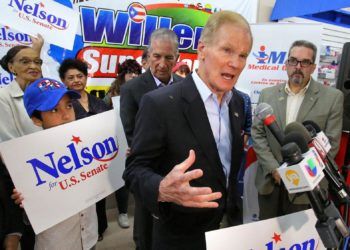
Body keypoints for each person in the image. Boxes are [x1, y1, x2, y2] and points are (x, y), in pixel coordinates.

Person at [123, 10, 252, 250]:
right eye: (227, 50)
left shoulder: (237, 104)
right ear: (202, 50)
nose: (236, 63)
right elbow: (134, 171)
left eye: (243, 55)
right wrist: (161, 189)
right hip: (180, 237)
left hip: (227, 231)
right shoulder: (159, 103)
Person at [251, 40, 344, 220]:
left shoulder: (332, 98)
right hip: (271, 182)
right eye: (293, 61)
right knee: (267, 239)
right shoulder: (267, 94)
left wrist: (295, 174)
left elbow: (330, 145)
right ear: (286, 64)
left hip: (306, 189)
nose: (298, 67)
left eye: (305, 62)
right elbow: (258, 134)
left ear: (313, 67)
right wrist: (274, 169)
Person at [120, 28, 183, 250]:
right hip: (147, 171)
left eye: (168, 57)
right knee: (145, 230)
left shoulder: (186, 87)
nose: (162, 63)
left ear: (177, 58)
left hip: (179, 170)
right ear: (147, 56)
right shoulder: (131, 89)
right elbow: (130, 132)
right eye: (156, 56)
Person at [18, 77, 98, 249]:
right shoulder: (25, 160)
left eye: (69, 105)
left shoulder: (88, 144)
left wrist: (117, 156)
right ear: (36, 119)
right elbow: (27, 218)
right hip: (57, 243)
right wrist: (25, 202)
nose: (66, 115)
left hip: (90, 235)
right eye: (54, 110)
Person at [58, 58, 109, 240]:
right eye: (70, 77)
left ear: (86, 78)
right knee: (82, 200)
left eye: (80, 76)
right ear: (63, 81)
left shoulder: (100, 102)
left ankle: (100, 229)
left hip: (100, 158)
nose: (76, 80)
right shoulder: (62, 107)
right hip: (76, 162)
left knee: (100, 195)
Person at [0, 36, 44, 250]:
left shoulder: (45, 94)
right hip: (19, 180)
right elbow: (10, 145)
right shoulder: (3, 97)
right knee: (24, 236)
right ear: (11, 67)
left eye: (37, 61)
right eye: (25, 61)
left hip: (48, 173)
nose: (33, 66)